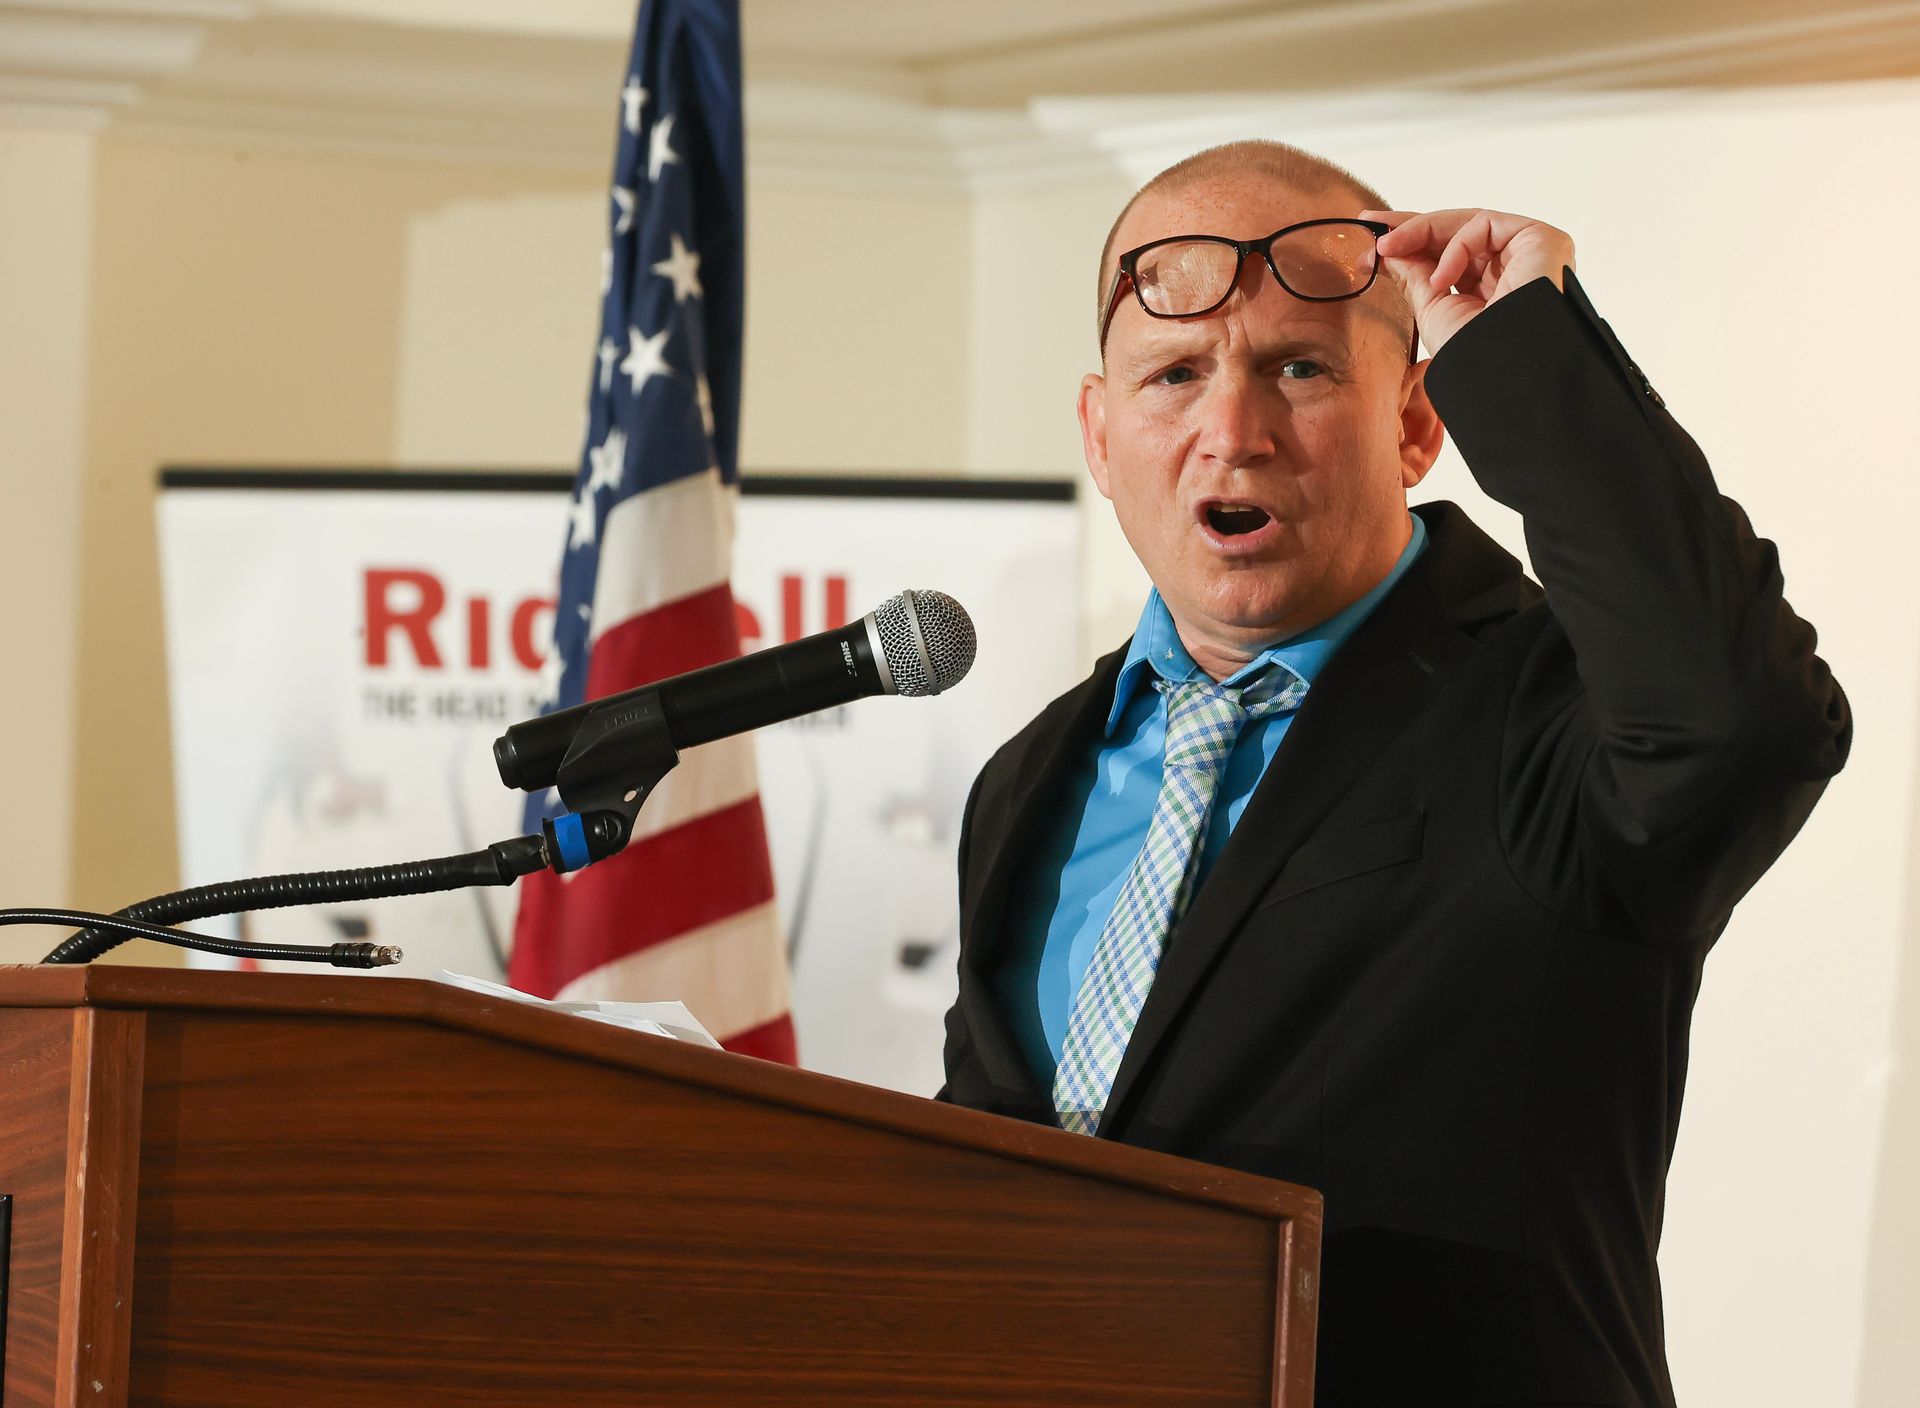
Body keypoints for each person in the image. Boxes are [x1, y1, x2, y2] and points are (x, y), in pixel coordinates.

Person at [937, 140, 1850, 1406]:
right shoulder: (1031, 775)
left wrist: (1517, 345)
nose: (1231, 433)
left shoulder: (1547, 712)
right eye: (1176, 373)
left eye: (1298, 368)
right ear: (1102, 432)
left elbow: (1743, 724)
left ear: (1416, 421)